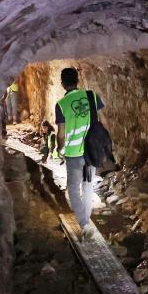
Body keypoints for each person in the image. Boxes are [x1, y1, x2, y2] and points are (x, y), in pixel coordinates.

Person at [55, 67, 104, 240]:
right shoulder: (92, 96)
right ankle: (86, 221)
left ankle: (84, 225)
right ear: (78, 79)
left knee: (74, 189)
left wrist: (59, 148)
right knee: (88, 185)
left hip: (74, 153)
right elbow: (98, 120)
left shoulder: (61, 104)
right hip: (91, 151)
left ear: (62, 84)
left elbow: (61, 133)